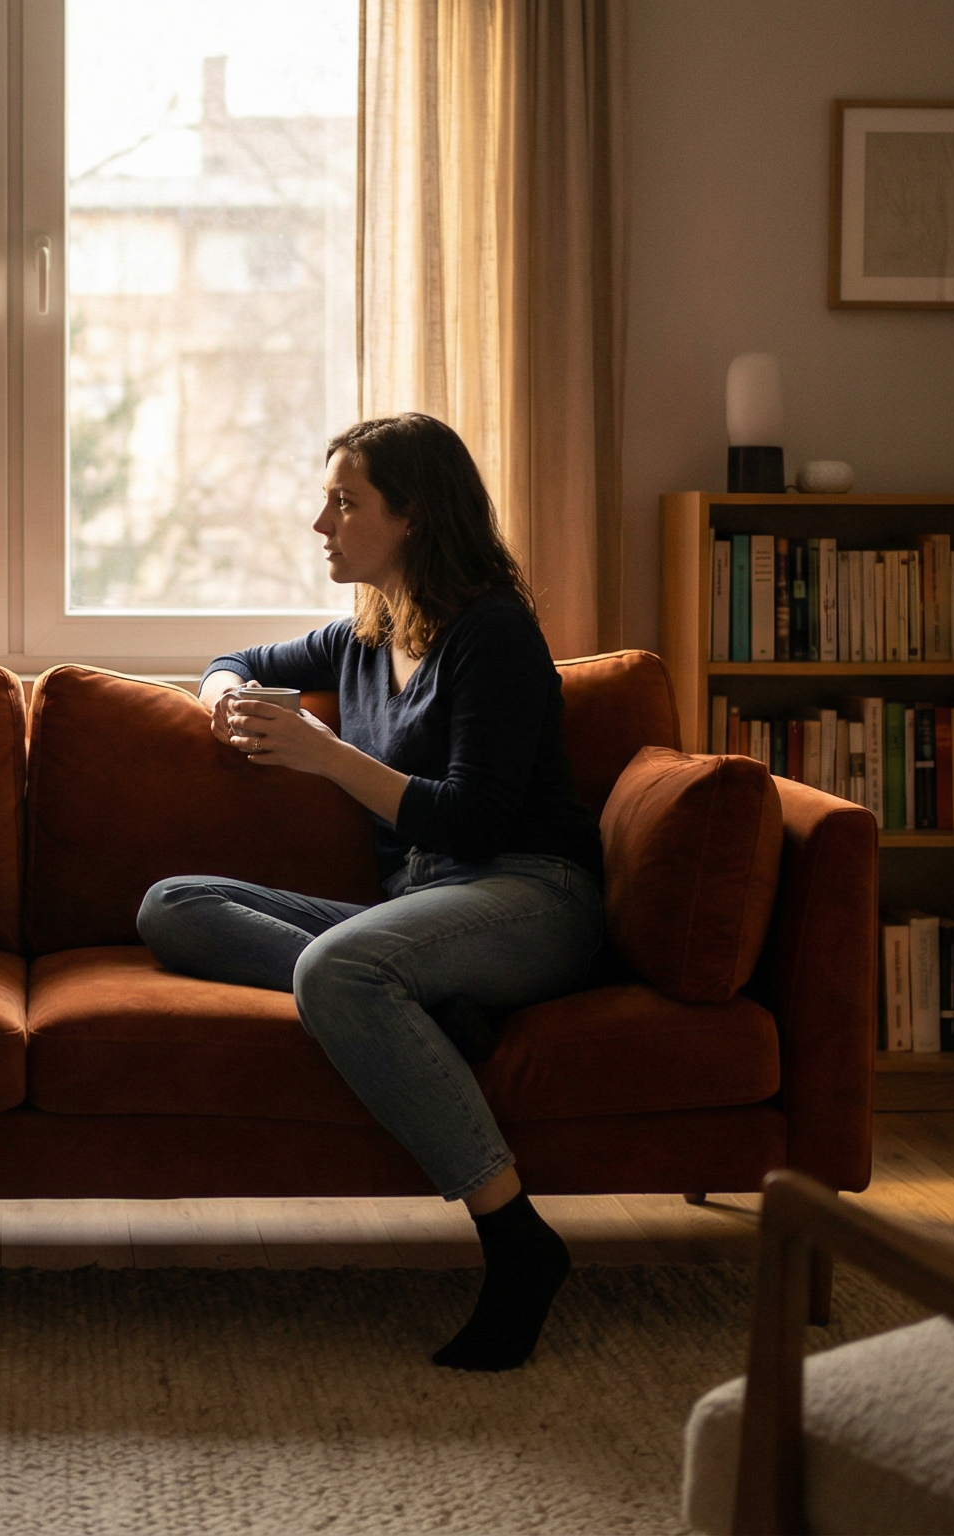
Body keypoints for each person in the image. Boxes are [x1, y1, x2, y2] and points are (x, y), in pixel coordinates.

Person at [135, 412, 605, 1372]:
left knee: (340, 970)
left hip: (528, 894)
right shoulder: (362, 636)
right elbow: (242, 661)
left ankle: (517, 1237)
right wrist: (219, 692)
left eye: (345, 503)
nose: (322, 524)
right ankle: (431, 1006)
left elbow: (475, 819)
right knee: (171, 906)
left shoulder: (494, 635)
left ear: (414, 517)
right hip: (416, 916)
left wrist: (330, 758)